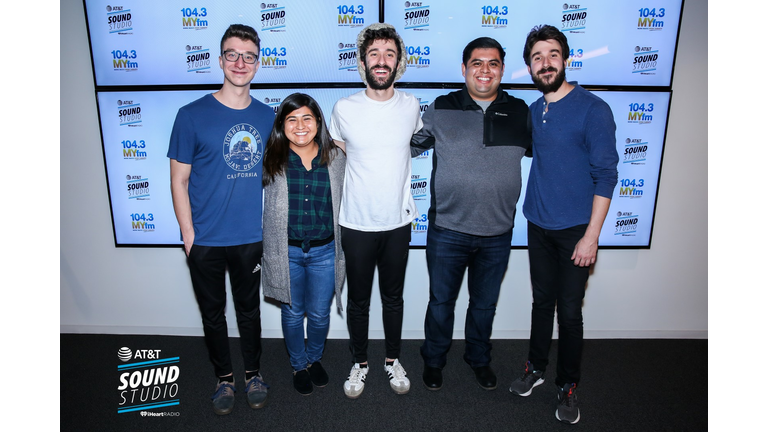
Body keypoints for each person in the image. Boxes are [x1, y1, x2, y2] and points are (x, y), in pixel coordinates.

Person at [508, 25, 619, 425]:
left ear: (566, 59)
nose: (545, 63)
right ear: (529, 67)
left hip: (576, 232)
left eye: (552, 55)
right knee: (541, 303)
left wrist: (591, 236)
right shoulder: (535, 110)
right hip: (538, 224)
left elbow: (607, 176)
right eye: (537, 58)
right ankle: (535, 367)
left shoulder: (593, 109)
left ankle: (568, 384)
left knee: (569, 313)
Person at [410, 37, 531, 392]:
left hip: (498, 232)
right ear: (464, 69)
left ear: (502, 69)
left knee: (484, 306)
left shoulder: (521, 111)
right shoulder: (441, 107)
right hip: (448, 229)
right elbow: (405, 145)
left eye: (493, 63)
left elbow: (548, 153)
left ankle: (479, 359)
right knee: (441, 303)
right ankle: (434, 360)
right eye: (477, 63)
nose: (484, 70)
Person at [167, 24, 274, 415]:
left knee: (249, 312)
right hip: (206, 240)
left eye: (248, 56)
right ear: (220, 60)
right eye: (232, 54)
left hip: (249, 238)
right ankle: (224, 378)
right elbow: (178, 180)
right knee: (212, 315)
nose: (240, 63)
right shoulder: (191, 115)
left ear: (258, 64)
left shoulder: (268, 117)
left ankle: (253, 375)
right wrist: (188, 235)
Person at [328, 22, 422, 399]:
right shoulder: (344, 108)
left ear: (398, 62)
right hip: (356, 223)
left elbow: (412, 144)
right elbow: (337, 153)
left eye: (389, 54)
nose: (381, 61)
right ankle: (360, 362)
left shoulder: (411, 106)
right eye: (374, 54)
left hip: (398, 222)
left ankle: (392, 360)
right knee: (359, 300)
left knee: (394, 299)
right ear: (363, 62)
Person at [261, 93, 346, 396]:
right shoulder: (271, 159)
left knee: (320, 314)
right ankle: (298, 365)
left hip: (325, 251)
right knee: (293, 313)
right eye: (292, 119)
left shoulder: (336, 158)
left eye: (307, 118)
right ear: (282, 125)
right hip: (286, 252)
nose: (300, 126)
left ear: (318, 122)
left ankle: (314, 359)